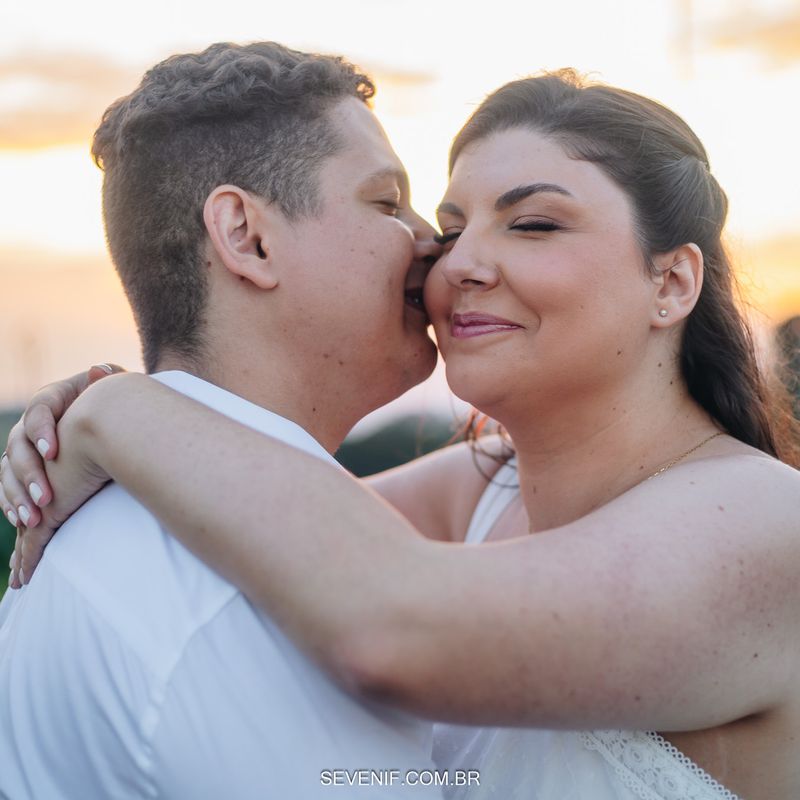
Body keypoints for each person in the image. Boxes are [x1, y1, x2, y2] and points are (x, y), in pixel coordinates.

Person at [4, 71, 800, 799]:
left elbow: (396, 626)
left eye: (531, 223)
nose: (452, 265)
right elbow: (257, 511)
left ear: (672, 281)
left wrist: (120, 412)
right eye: (451, 229)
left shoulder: (766, 524)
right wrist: (95, 419)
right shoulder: (478, 493)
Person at [0, 41, 450, 799]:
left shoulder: (147, 531)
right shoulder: (227, 606)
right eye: (385, 202)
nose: (431, 239)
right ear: (247, 236)